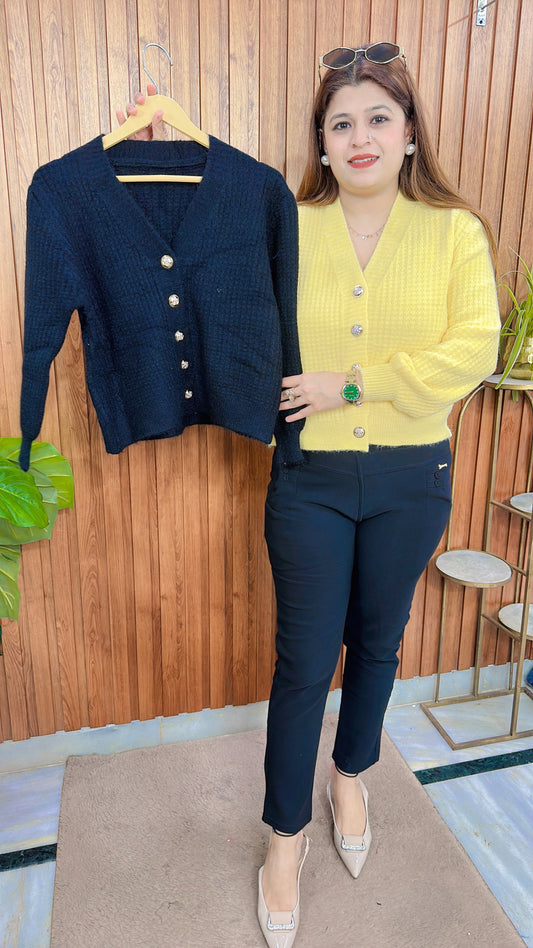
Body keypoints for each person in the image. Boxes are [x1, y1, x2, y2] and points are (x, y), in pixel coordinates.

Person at [119, 41, 500, 947]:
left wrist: (352, 384)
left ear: (408, 135)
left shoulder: (453, 232)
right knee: (301, 664)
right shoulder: (285, 224)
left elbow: (472, 349)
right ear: (321, 143)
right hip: (309, 479)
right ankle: (283, 837)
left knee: (377, 643)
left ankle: (350, 774)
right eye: (340, 123)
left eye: (378, 118)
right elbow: (202, 274)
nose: (359, 136)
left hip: (412, 477)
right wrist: (158, 162)